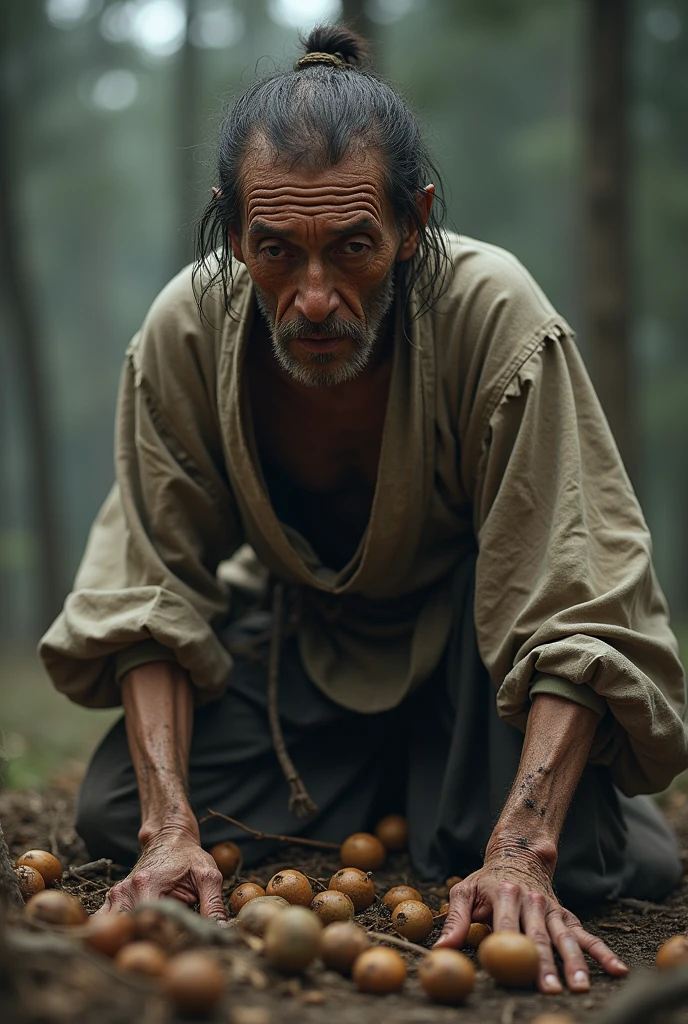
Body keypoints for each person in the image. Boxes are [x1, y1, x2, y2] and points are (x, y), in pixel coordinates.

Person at [40, 26, 687, 995]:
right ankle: (415, 792)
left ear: (414, 221)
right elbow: (147, 590)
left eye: (352, 248)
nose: (312, 299)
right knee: (113, 807)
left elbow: (577, 595)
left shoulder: (494, 316)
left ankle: (477, 797)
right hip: (301, 651)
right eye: (273, 251)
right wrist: (169, 828)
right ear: (230, 229)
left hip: (475, 653)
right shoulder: (184, 329)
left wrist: (523, 850)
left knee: (594, 862)